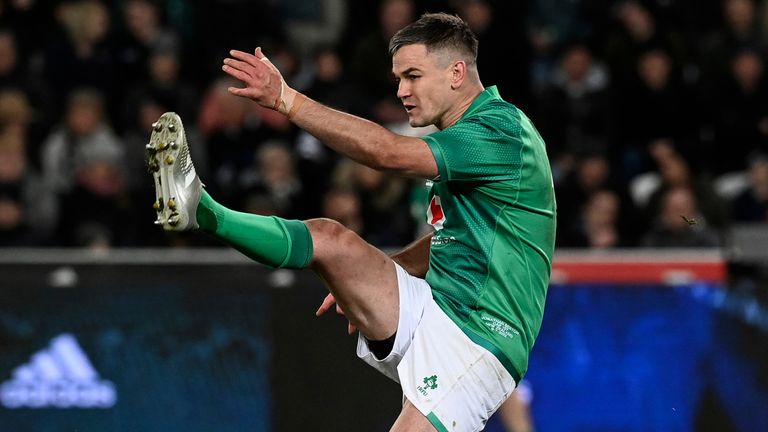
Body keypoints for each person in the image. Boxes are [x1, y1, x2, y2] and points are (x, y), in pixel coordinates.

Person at [146, 12, 556, 431]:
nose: (402, 90)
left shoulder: (499, 131)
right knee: (330, 241)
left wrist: (288, 100)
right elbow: (452, 241)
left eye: (413, 76)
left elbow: (388, 154)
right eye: (398, 79)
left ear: (456, 72)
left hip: (478, 338)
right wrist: (374, 273)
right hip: (435, 305)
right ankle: (204, 211)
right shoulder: (467, 138)